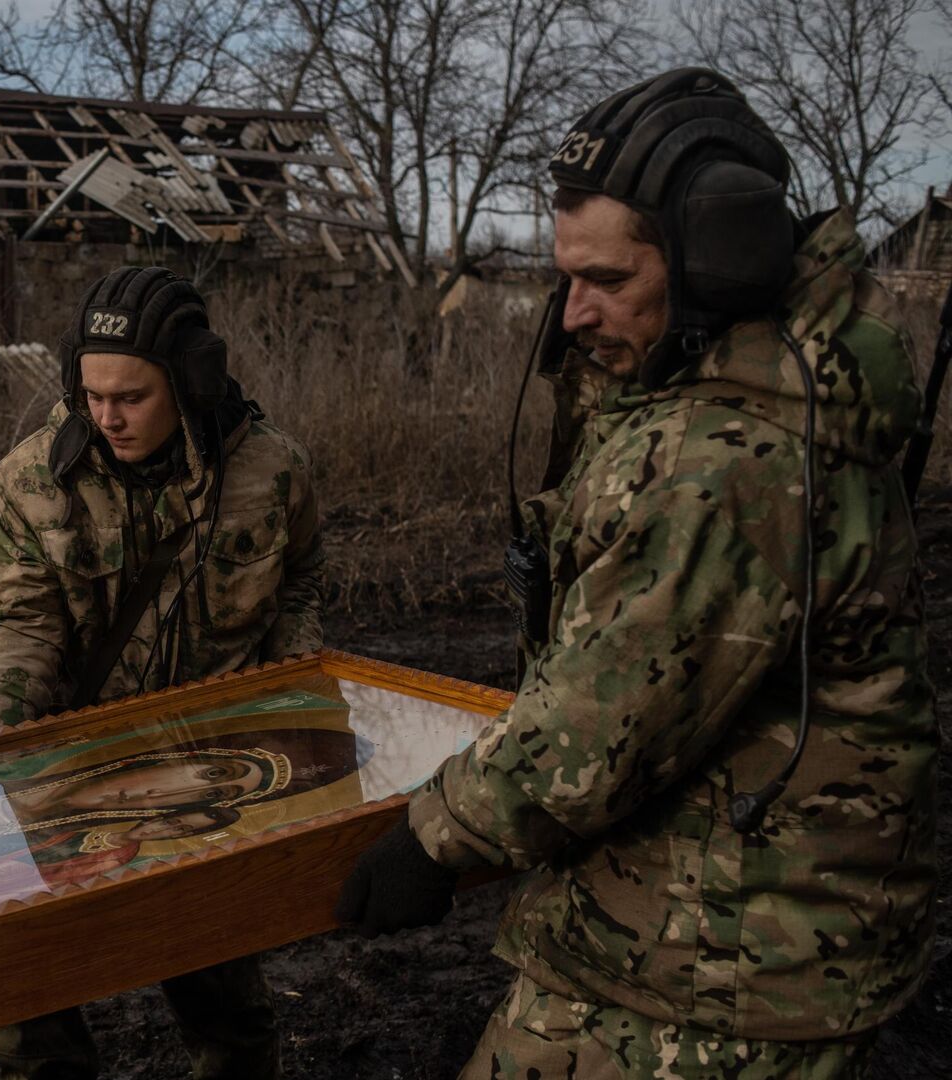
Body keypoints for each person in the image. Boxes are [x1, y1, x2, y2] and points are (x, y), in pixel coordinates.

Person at [337, 68, 937, 1077]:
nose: (572, 314)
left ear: (718, 270)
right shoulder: (714, 388)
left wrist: (433, 838)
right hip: (695, 922)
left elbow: (597, 725)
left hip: (732, 964)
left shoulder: (730, 460)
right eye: (566, 278)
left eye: (608, 282)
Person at [0, 265, 327, 1079]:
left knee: (231, 1018)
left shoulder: (273, 472)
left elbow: (300, 576)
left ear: (190, 380)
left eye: (130, 396)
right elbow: (18, 631)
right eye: (90, 394)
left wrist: (295, 699)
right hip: (67, 771)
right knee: (27, 1003)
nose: (106, 416)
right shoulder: (31, 482)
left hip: (209, 776)